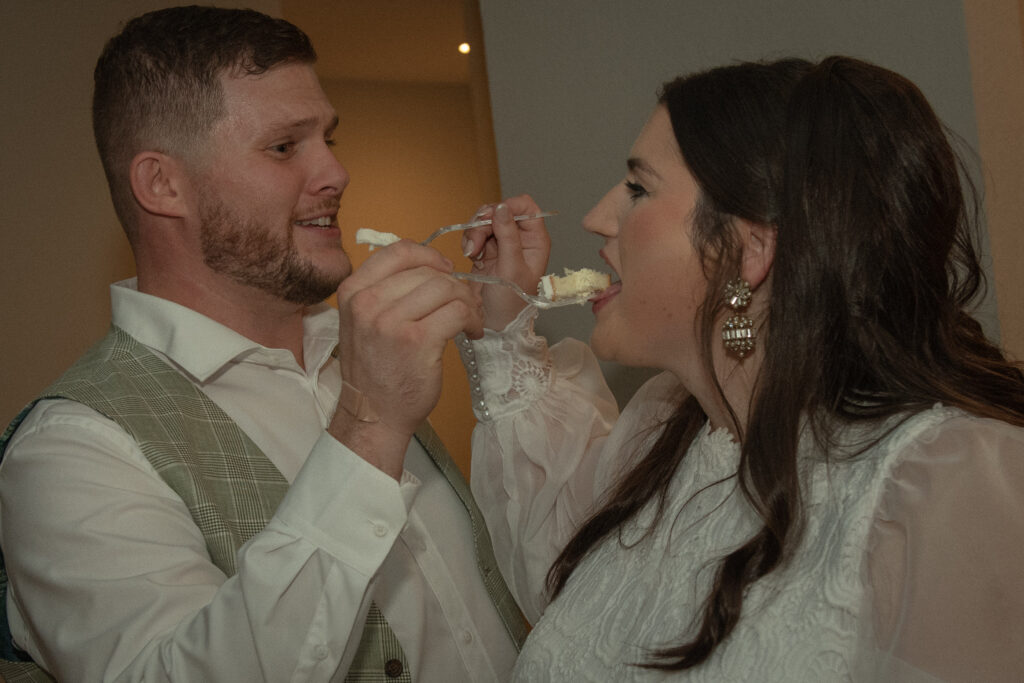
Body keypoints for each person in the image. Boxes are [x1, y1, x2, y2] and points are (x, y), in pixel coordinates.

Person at [0, 6, 527, 682]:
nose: (336, 172)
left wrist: (509, 336)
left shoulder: (356, 350)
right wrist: (367, 430)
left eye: (330, 139)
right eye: (285, 146)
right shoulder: (71, 449)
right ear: (163, 185)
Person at [458, 56, 1024, 680]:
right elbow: (553, 563)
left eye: (639, 189)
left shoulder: (946, 485)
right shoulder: (663, 431)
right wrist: (503, 328)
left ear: (750, 248)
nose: (597, 217)